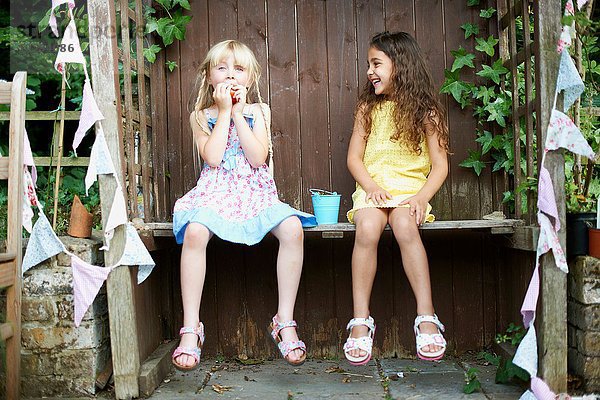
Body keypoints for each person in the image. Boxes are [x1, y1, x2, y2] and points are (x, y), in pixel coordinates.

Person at [171, 40, 316, 371]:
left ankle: (284, 320)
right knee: (195, 231)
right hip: (215, 193)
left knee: (293, 227)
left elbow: (257, 157)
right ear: (209, 78)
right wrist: (223, 113)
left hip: (254, 193)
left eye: (239, 69)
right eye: (222, 68)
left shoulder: (259, 111)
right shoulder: (200, 116)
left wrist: (238, 113)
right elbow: (213, 157)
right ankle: (191, 328)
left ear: (250, 79)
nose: (230, 75)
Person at [344, 31, 450, 365]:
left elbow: (440, 166)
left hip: (409, 192)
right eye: (368, 64)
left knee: (405, 225)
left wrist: (421, 197)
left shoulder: (427, 112)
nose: (369, 71)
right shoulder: (367, 108)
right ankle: (360, 322)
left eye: (376, 63)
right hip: (373, 191)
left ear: (400, 66)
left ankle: (426, 316)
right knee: (367, 229)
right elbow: (354, 160)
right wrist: (371, 187)